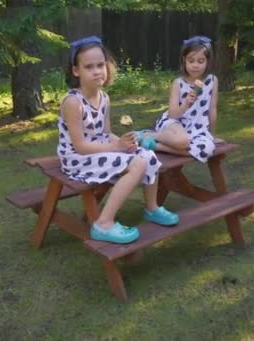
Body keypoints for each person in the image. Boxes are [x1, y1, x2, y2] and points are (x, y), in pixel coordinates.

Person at [58, 36, 179, 244]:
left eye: (100, 65)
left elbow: (105, 132)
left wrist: (124, 143)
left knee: (147, 154)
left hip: (99, 149)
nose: (97, 71)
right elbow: (79, 145)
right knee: (137, 163)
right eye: (89, 67)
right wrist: (114, 146)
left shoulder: (104, 97)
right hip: (77, 158)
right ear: (76, 71)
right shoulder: (72, 102)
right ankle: (103, 223)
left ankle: (152, 208)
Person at [138, 36, 222, 163]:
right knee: (183, 141)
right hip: (174, 123)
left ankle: (155, 145)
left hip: (197, 128)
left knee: (206, 150)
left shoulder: (212, 80)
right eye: (191, 60)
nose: (195, 65)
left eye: (200, 61)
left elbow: (212, 109)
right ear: (184, 60)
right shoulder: (178, 83)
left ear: (207, 62)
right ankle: (149, 135)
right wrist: (186, 103)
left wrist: (212, 135)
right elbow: (173, 114)